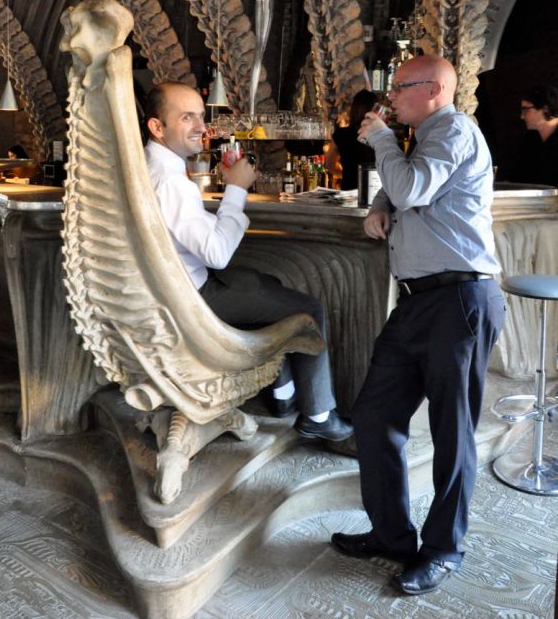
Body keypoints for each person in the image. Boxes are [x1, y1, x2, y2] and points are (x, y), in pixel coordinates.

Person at [331, 55, 505, 596]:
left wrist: (382, 141)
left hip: (460, 299)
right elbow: (404, 190)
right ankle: (392, 536)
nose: (390, 97)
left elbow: (414, 190)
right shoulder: (426, 137)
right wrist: (380, 203)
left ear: (433, 90)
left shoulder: (454, 129)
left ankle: (443, 549)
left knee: (453, 432)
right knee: (374, 413)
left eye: (399, 87)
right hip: (417, 303)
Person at [144, 81, 352, 442]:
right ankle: (318, 415)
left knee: (267, 284)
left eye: (201, 116)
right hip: (193, 299)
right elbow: (218, 254)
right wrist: (237, 188)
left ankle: (283, 395)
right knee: (308, 309)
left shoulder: (151, 166)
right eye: (187, 117)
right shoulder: (171, 182)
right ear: (157, 127)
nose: (200, 127)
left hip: (178, 287)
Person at [326, 89, 377, 190]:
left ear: (354, 110)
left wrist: (347, 175)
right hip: (374, 190)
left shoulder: (341, 134)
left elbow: (329, 165)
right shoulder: (380, 136)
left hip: (349, 190)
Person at [509, 83, 558, 186]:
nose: (522, 116)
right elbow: (517, 178)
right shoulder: (529, 141)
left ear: (545, 109)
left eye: (525, 109)